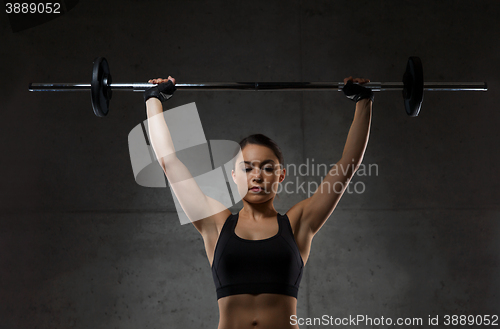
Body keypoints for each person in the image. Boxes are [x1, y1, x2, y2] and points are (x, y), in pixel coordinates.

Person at [144, 75, 373, 329]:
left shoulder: (298, 223)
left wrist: (363, 100)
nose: (257, 176)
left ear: (281, 175)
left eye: (267, 168)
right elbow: (169, 162)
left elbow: (347, 166)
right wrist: (153, 99)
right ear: (233, 176)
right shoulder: (215, 222)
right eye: (247, 168)